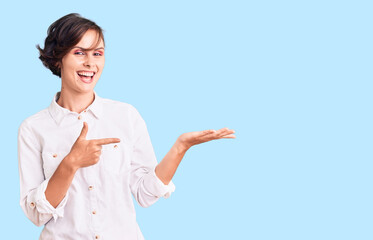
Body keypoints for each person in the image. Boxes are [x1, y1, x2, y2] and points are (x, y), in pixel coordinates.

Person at [18, 13, 235, 240]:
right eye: (79, 52)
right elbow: (36, 214)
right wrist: (70, 163)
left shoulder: (125, 116)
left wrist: (181, 147)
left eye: (97, 54)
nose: (90, 63)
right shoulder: (33, 128)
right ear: (57, 59)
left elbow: (145, 193)